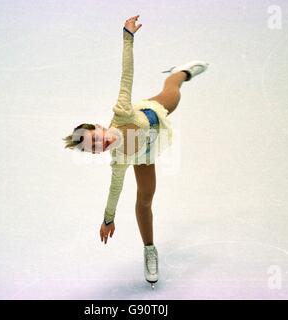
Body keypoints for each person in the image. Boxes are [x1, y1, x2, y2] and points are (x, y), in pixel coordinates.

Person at [63, 15, 209, 287]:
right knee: (144, 201)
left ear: (98, 126)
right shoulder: (119, 160)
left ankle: (181, 71)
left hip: (154, 114)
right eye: (93, 148)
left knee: (174, 90)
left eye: (95, 138)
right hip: (145, 155)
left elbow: (126, 71)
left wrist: (127, 35)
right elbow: (114, 191)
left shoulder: (121, 112)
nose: (99, 145)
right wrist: (108, 219)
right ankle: (150, 249)